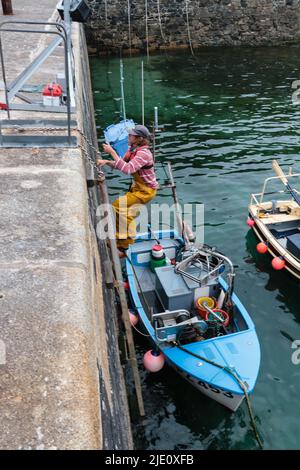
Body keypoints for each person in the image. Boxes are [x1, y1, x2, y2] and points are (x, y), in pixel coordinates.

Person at [96, 124, 159, 258]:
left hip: (146, 190)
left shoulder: (144, 154)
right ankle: (122, 244)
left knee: (118, 206)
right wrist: (107, 161)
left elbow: (128, 169)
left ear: (139, 138)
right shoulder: (132, 149)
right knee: (124, 211)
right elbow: (122, 164)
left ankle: (125, 244)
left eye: (131, 135)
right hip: (137, 188)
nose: (128, 136)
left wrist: (112, 152)